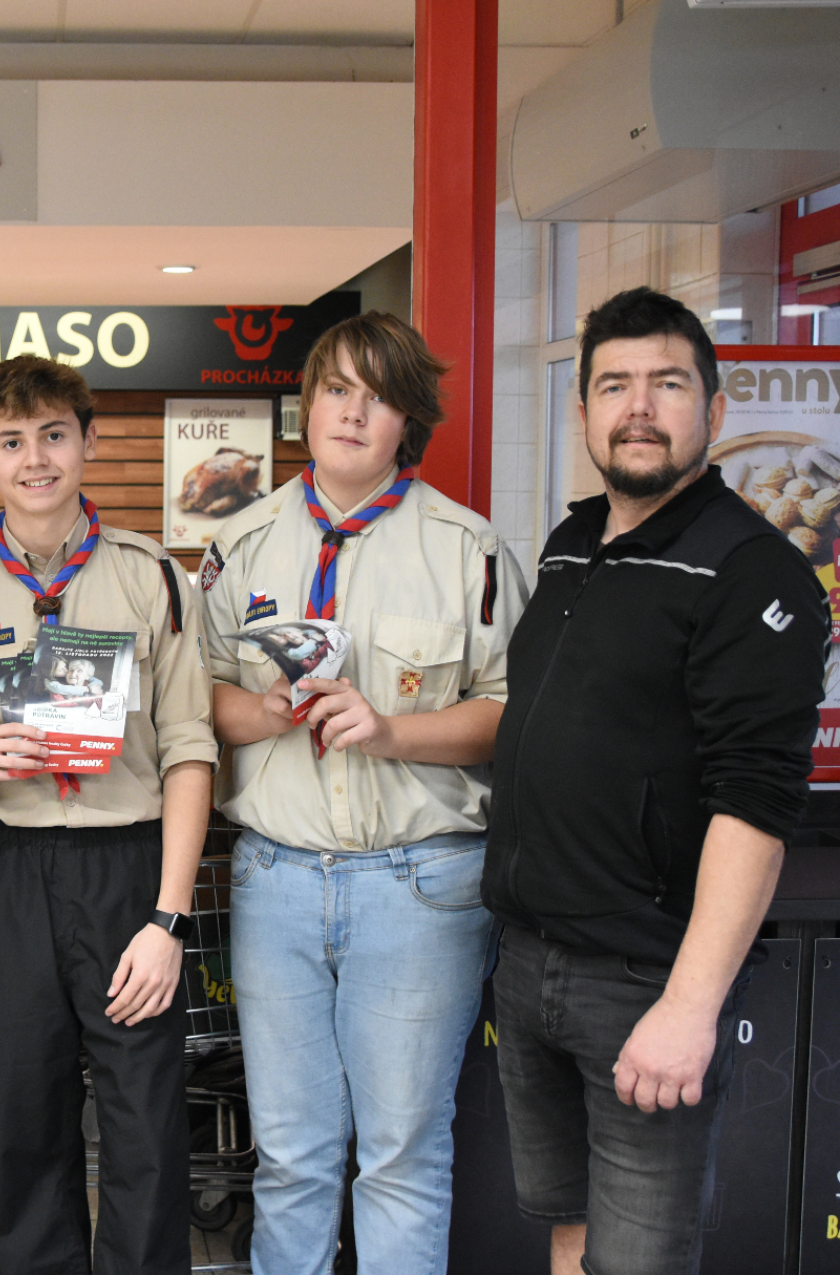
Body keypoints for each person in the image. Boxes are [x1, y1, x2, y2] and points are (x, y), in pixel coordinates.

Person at [482, 287, 827, 1275]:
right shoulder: (571, 543)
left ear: (711, 410)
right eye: (614, 385)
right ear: (583, 410)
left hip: (644, 978)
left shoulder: (753, 571)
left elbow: (755, 807)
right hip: (532, 957)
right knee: (567, 1231)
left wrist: (688, 1007)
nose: (638, 408)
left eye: (666, 384)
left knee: (637, 1259)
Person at [200, 310, 528, 1275]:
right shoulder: (239, 545)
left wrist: (389, 731)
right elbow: (198, 701)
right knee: (291, 1156)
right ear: (306, 404)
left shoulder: (468, 549)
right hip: (276, 882)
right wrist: (266, 709)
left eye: (378, 398)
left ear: (407, 422)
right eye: (337, 389)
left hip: (421, 887)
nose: (353, 413)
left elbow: (511, 714)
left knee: (401, 1157)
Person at [0, 355, 216, 1275]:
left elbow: (190, 748)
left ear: (88, 441)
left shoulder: (152, 576)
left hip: (129, 866)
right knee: (29, 1108)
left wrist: (168, 917)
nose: (35, 459)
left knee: (144, 1111)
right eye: (12, 442)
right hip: (7, 869)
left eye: (53, 435)